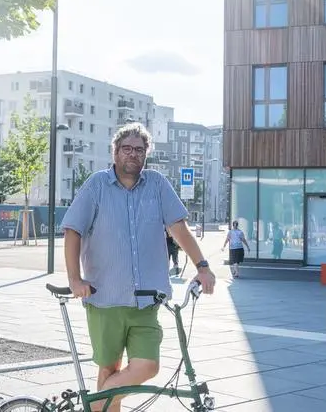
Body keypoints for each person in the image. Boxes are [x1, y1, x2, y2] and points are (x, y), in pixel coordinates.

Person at [61, 123, 217, 412]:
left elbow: (179, 229)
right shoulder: (96, 185)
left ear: (146, 153)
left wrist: (203, 266)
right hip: (105, 297)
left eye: (139, 149)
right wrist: (74, 279)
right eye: (127, 148)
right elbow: (73, 230)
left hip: (146, 300)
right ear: (115, 152)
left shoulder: (157, 184)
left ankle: (92, 407)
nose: (133, 154)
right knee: (109, 368)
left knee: (147, 366)